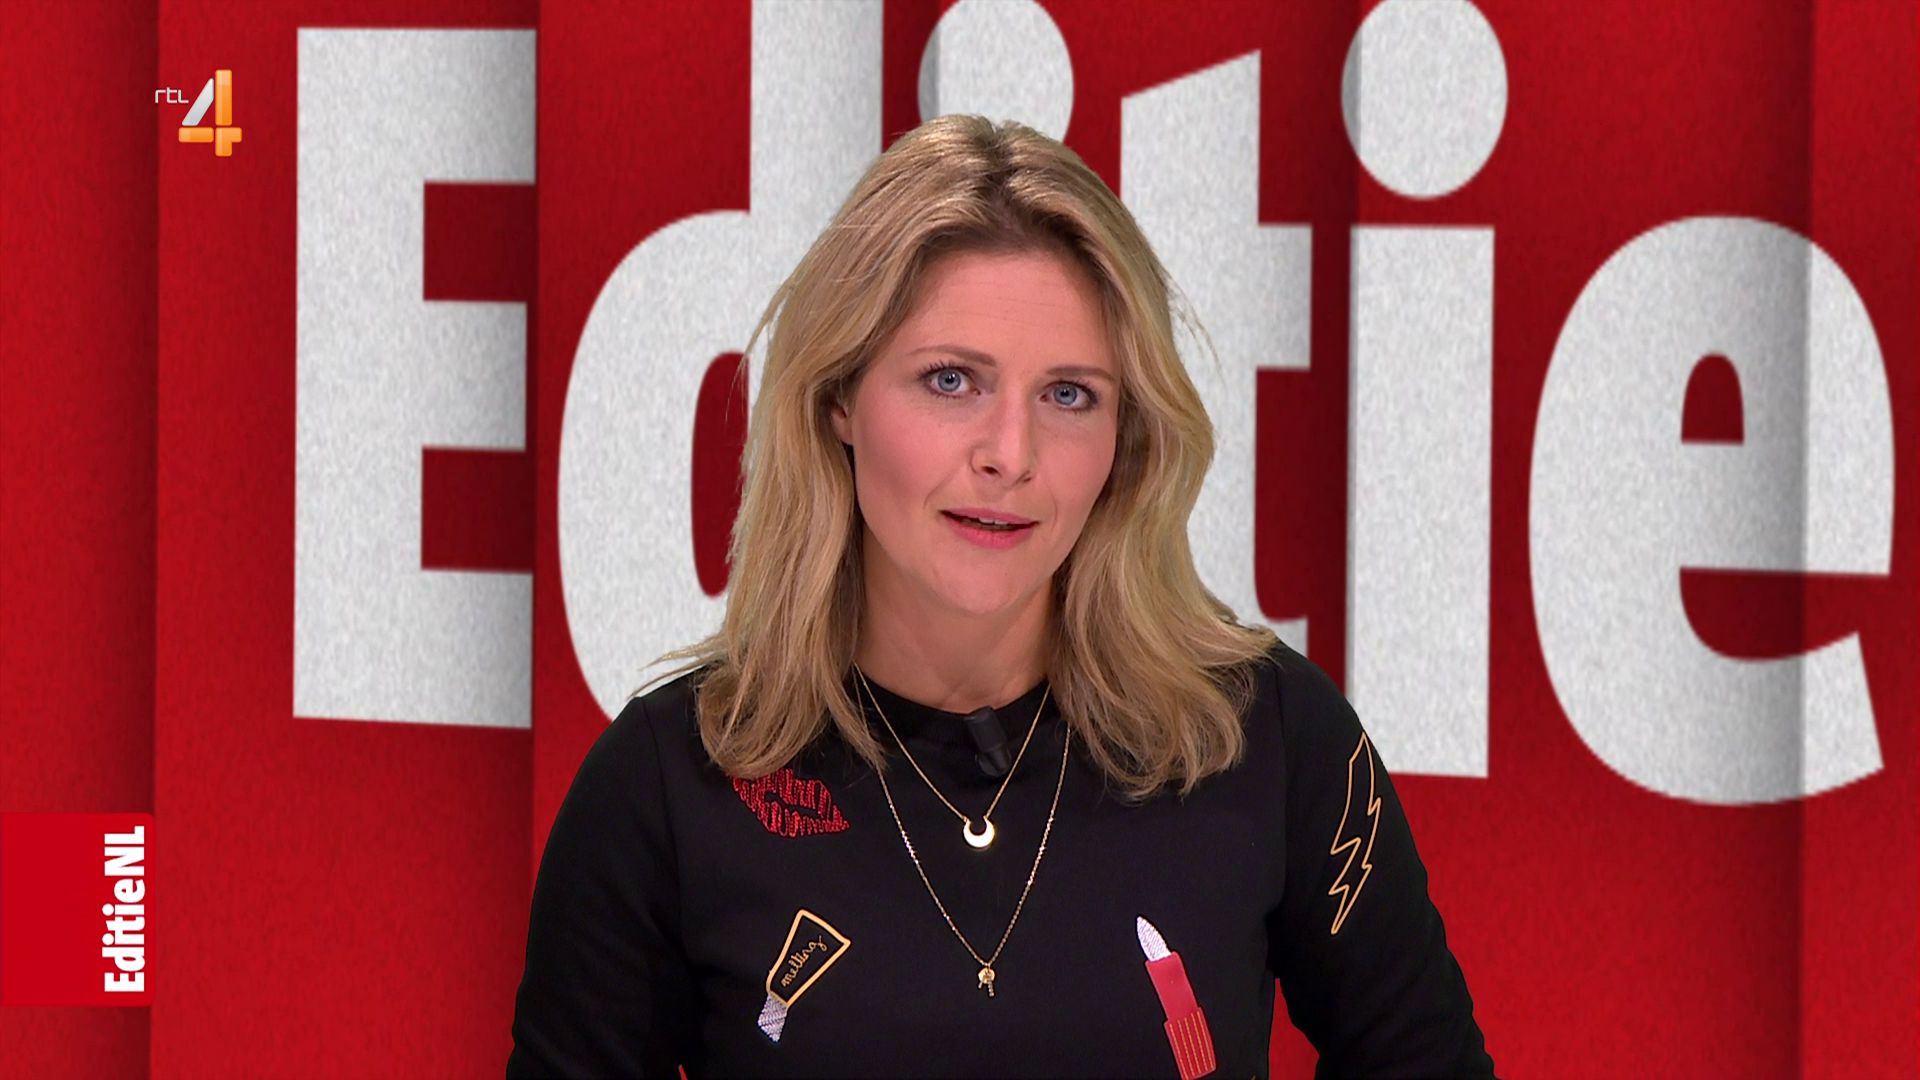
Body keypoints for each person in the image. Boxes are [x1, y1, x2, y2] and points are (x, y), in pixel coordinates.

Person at [508, 114, 1495, 1078]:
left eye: (1069, 395)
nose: (1011, 455)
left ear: (1126, 437)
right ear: (839, 397)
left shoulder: (1267, 737)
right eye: (951, 381)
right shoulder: (669, 784)